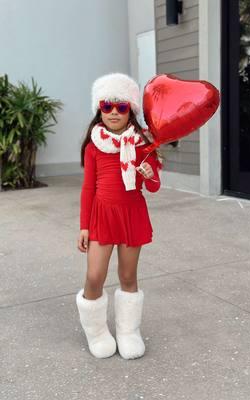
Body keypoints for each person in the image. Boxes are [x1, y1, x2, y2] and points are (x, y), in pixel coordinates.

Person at [75, 72, 163, 360]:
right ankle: (97, 331)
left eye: (121, 106)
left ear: (131, 111)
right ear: (99, 109)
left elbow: (153, 186)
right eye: (107, 106)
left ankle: (128, 331)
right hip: (101, 215)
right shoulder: (93, 146)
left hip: (131, 213)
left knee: (127, 276)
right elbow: (88, 188)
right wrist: (84, 226)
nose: (114, 112)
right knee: (94, 275)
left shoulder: (141, 145)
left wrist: (150, 174)